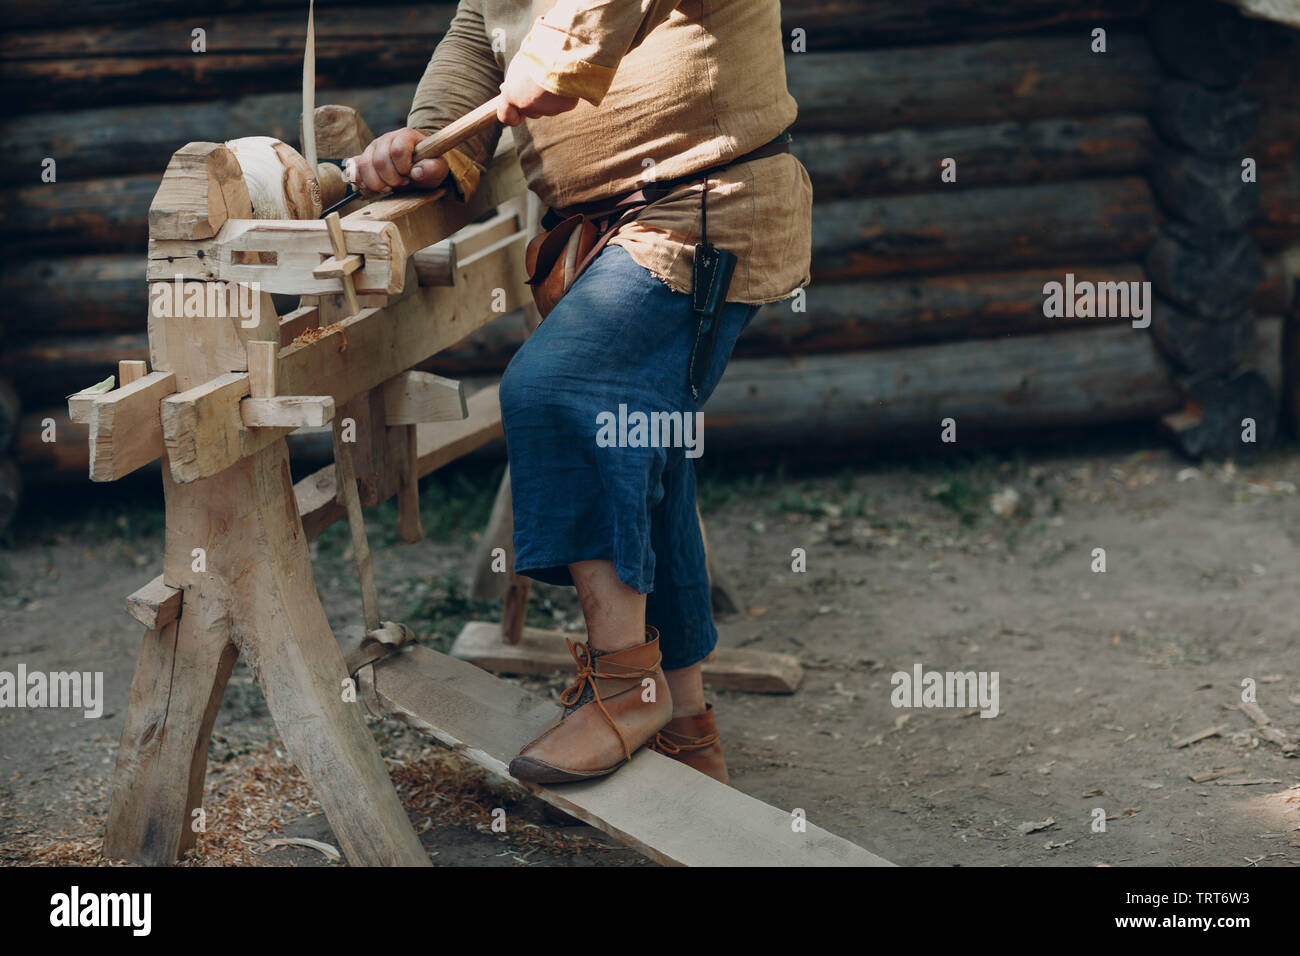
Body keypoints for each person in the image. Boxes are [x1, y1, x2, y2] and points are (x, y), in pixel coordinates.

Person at [352, 0, 811, 786]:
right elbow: (481, 28)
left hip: (704, 205)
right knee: (648, 453)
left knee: (559, 390)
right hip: (608, 225)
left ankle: (627, 690)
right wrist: (435, 141)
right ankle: (687, 730)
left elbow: (578, 29)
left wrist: (558, 55)